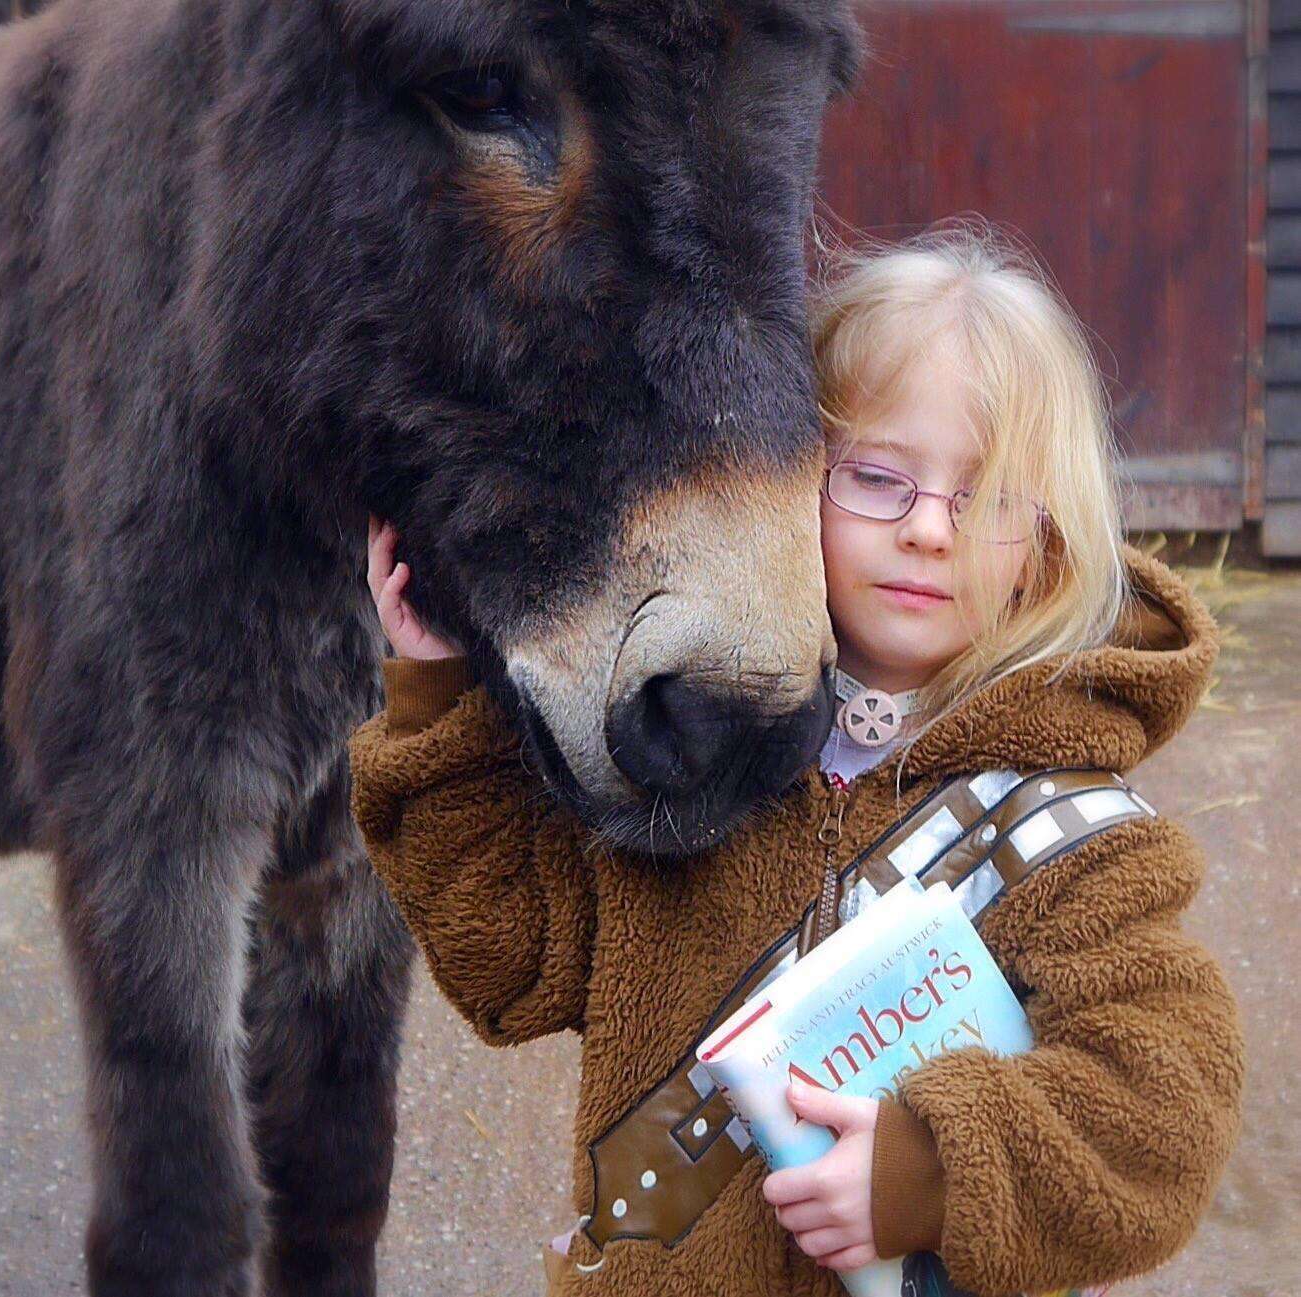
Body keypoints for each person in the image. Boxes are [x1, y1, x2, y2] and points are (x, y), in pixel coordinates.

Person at [347, 224, 1243, 1297]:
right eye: (874, 476)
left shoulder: (1067, 837)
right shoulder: (690, 759)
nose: (925, 530)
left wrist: (933, 1172)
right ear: (780, 481)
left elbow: (1161, 1113)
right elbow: (509, 963)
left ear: (1046, 549)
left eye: (988, 497)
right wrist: (443, 699)